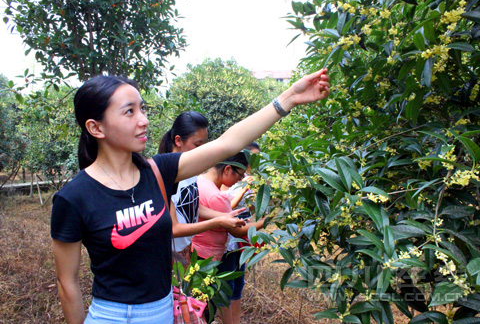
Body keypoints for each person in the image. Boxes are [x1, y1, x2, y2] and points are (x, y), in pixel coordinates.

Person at [51, 69, 329, 324]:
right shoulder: (74, 198)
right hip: (113, 315)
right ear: (95, 128)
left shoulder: (159, 171)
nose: (144, 121)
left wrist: (289, 98)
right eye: (129, 112)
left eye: (143, 109)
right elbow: (68, 284)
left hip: (162, 309)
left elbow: (227, 144)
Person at [158, 111, 246, 264]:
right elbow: (174, 229)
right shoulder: (164, 176)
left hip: (186, 249)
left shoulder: (190, 173)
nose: (201, 150)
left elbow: (192, 205)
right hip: (169, 254)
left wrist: (222, 216)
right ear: (178, 140)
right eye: (197, 145)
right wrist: (217, 222)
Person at [192, 151, 264, 324]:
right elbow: (237, 231)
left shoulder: (198, 181)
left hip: (196, 253)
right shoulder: (217, 197)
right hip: (209, 258)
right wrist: (264, 222)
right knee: (205, 308)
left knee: (196, 304)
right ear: (227, 169)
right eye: (238, 177)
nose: (239, 182)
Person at [219, 142, 261, 324]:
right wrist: (244, 187)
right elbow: (226, 206)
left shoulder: (248, 177)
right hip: (226, 241)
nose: (253, 162)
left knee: (238, 284)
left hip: (238, 242)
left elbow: (248, 208)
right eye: (251, 157)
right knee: (226, 286)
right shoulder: (229, 176)